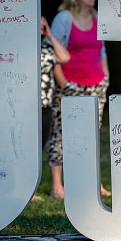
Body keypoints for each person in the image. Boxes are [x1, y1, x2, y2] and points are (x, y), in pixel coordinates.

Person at [46, 0, 111, 199]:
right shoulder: (64, 18)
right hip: (69, 85)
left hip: (96, 85)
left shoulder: (97, 17)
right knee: (60, 133)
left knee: (91, 135)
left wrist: (106, 78)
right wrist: (63, 83)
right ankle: (57, 186)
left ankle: (94, 183)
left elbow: (102, 50)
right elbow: (52, 52)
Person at [33, 16, 70, 201]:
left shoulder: (47, 49)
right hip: (27, 106)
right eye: (38, 24)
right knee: (28, 148)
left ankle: (32, 188)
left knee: (40, 146)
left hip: (45, 104)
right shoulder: (21, 48)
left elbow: (65, 57)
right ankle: (27, 190)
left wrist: (49, 34)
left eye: (43, 24)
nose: (41, 27)